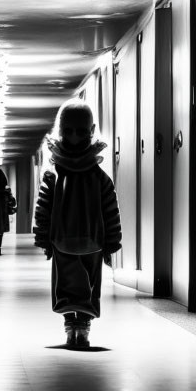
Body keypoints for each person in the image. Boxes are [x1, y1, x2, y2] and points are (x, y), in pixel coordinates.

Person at [33, 99, 121, 347]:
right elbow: (44, 208)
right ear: (60, 132)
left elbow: (110, 209)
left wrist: (112, 241)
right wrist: (42, 236)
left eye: (81, 131)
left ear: (91, 131)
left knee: (89, 286)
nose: (73, 137)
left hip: (94, 241)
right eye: (68, 131)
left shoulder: (99, 177)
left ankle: (82, 324)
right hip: (62, 241)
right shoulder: (54, 174)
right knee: (67, 286)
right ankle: (71, 324)